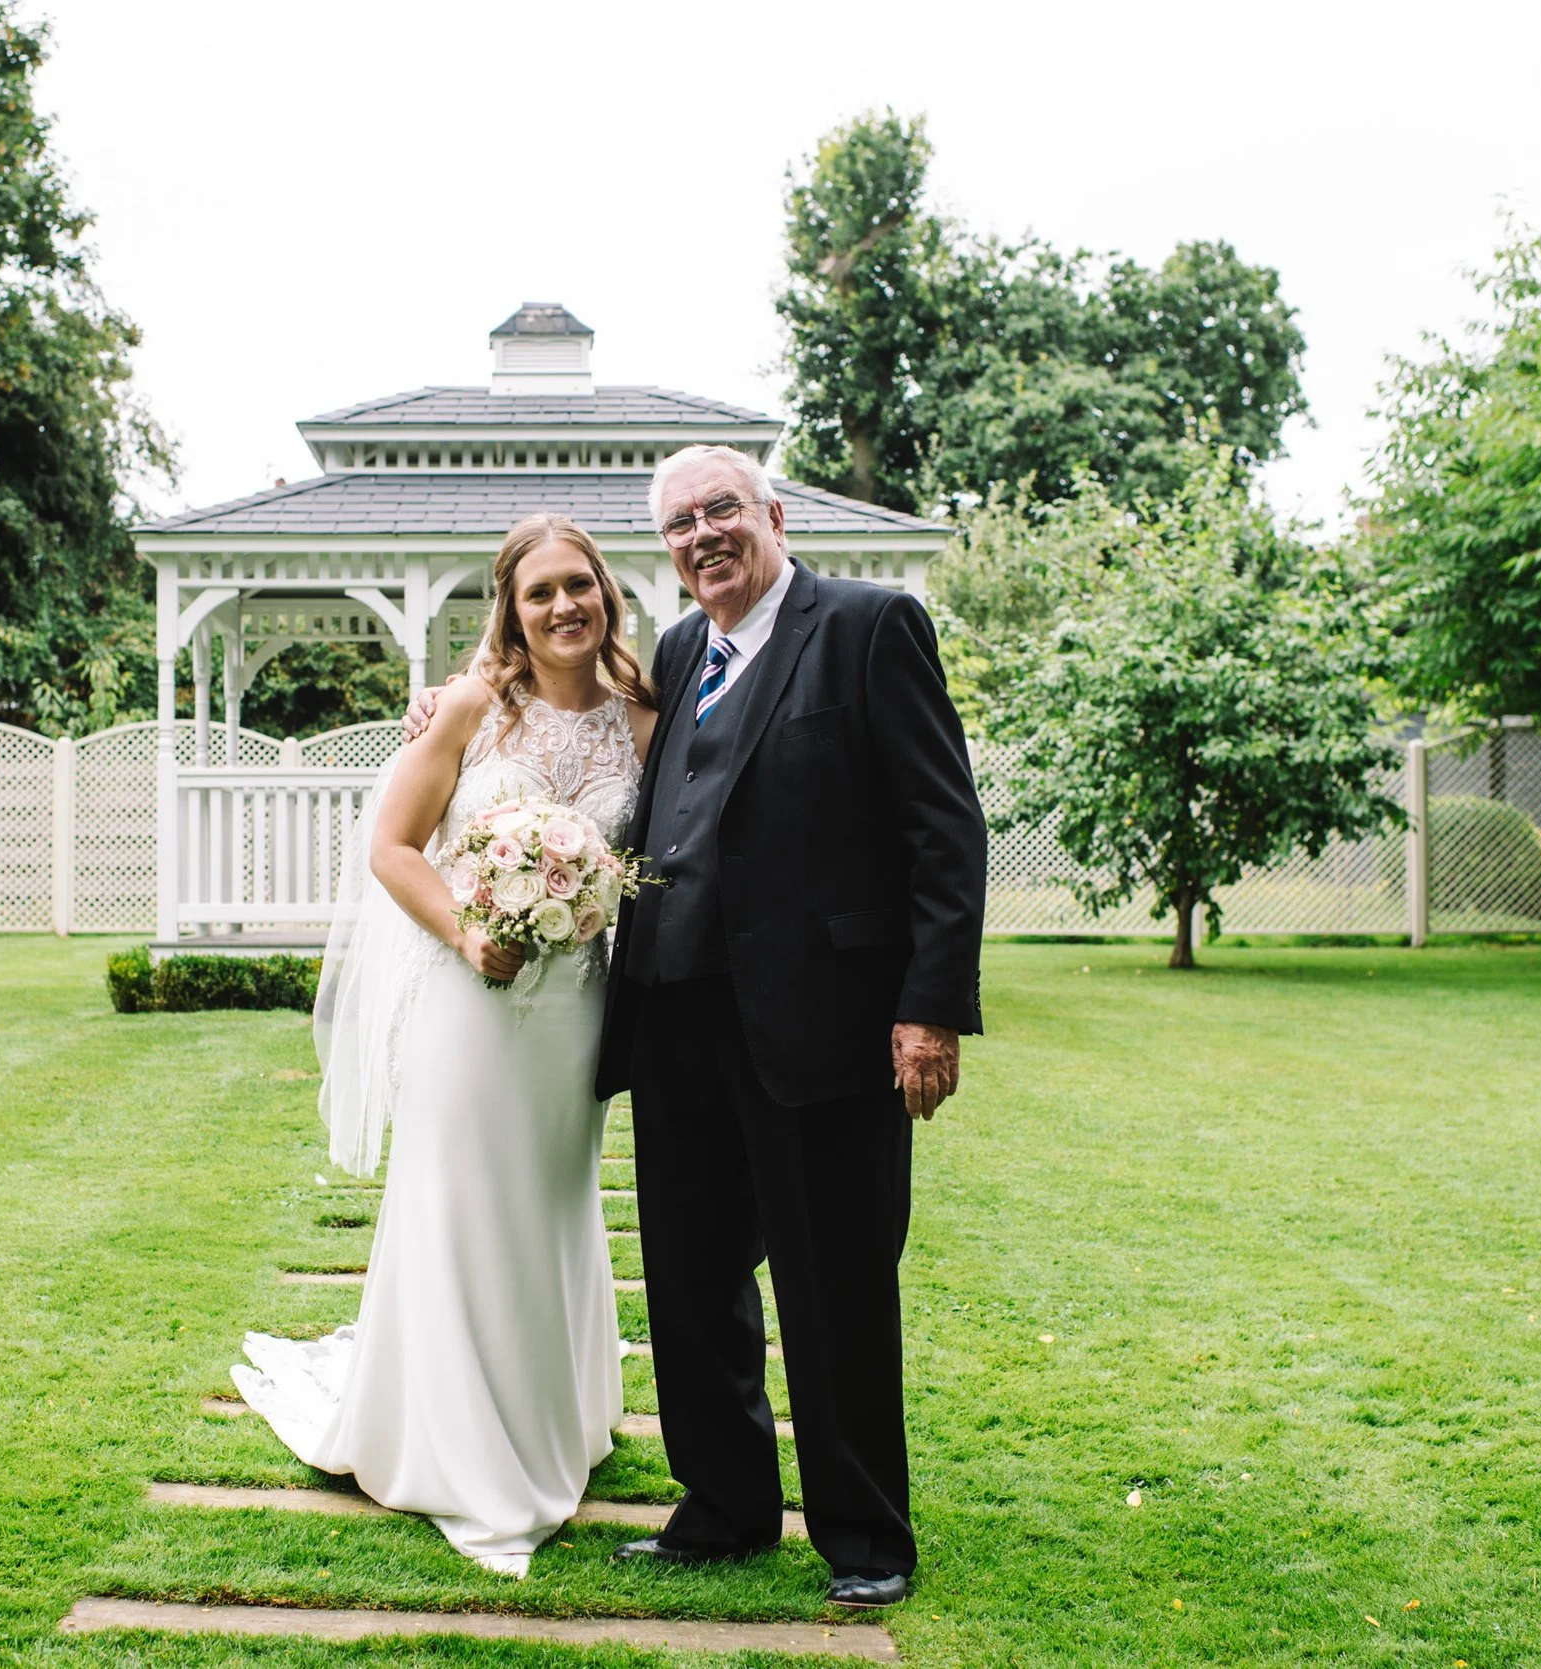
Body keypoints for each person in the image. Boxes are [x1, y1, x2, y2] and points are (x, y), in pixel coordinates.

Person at [403, 443, 986, 1608]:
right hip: (672, 1018)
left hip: (822, 1023)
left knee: (833, 1281)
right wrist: (439, 703)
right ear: (666, 550)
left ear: (772, 515)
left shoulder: (867, 627)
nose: (703, 535)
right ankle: (723, 1506)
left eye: (721, 509)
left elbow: (943, 824)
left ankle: (865, 1536)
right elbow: (540, 689)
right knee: (691, 1275)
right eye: (679, 524)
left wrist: (927, 1008)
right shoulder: (675, 655)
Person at [231, 514, 657, 1578]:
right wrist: (468, 931)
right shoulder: (469, 707)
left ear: (605, 592)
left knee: (551, 1204)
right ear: (509, 609)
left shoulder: (641, 717)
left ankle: (552, 1417)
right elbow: (392, 845)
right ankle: (454, 1443)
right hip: (468, 1001)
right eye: (539, 591)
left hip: (574, 1013)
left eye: (578, 584)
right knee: (459, 1202)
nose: (563, 606)